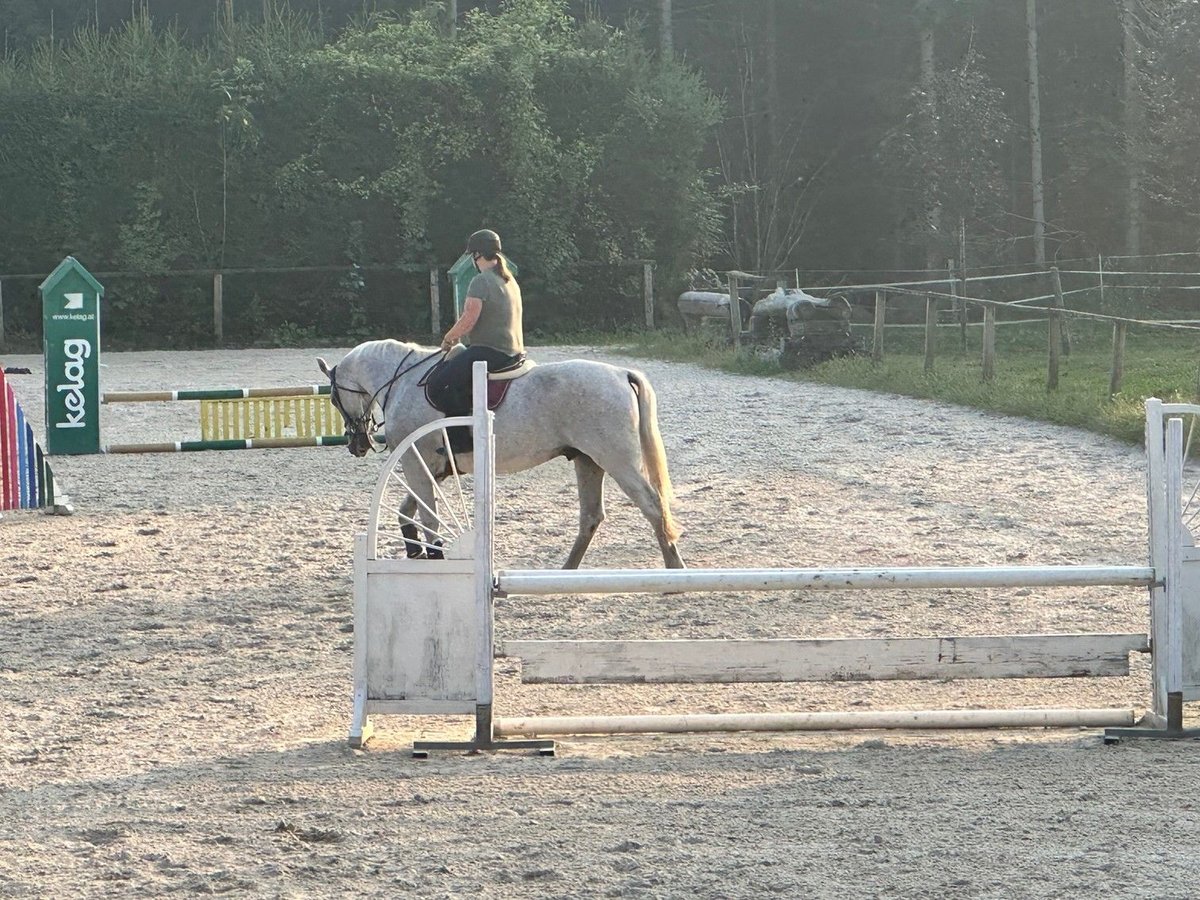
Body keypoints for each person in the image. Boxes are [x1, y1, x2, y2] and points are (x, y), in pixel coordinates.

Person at [426, 228, 525, 453]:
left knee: (439, 383)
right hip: (514, 351)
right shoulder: (509, 280)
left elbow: (468, 319)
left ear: (477, 255)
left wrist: (449, 338)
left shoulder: (480, 281)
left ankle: (461, 441)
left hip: (490, 351)